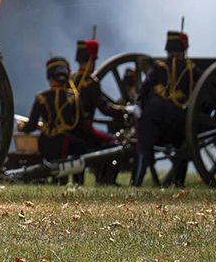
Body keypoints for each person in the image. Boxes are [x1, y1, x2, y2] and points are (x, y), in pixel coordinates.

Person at [129, 29, 195, 187]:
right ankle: (178, 183)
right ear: (184, 49)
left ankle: (136, 183)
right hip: (177, 122)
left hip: (153, 120)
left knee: (143, 150)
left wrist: (139, 106)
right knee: (183, 146)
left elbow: (144, 89)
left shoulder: (159, 67)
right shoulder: (191, 70)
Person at [23, 56, 84, 183]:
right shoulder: (73, 97)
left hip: (45, 142)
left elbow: (30, 126)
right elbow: (79, 124)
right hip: (64, 143)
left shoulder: (41, 97)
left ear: (50, 77)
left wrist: (21, 127)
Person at [66, 37, 118, 183]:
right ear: (90, 61)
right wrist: (121, 111)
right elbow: (104, 108)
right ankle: (105, 180)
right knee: (114, 144)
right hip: (84, 130)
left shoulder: (71, 79)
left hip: (70, 129)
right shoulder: (91, 83)